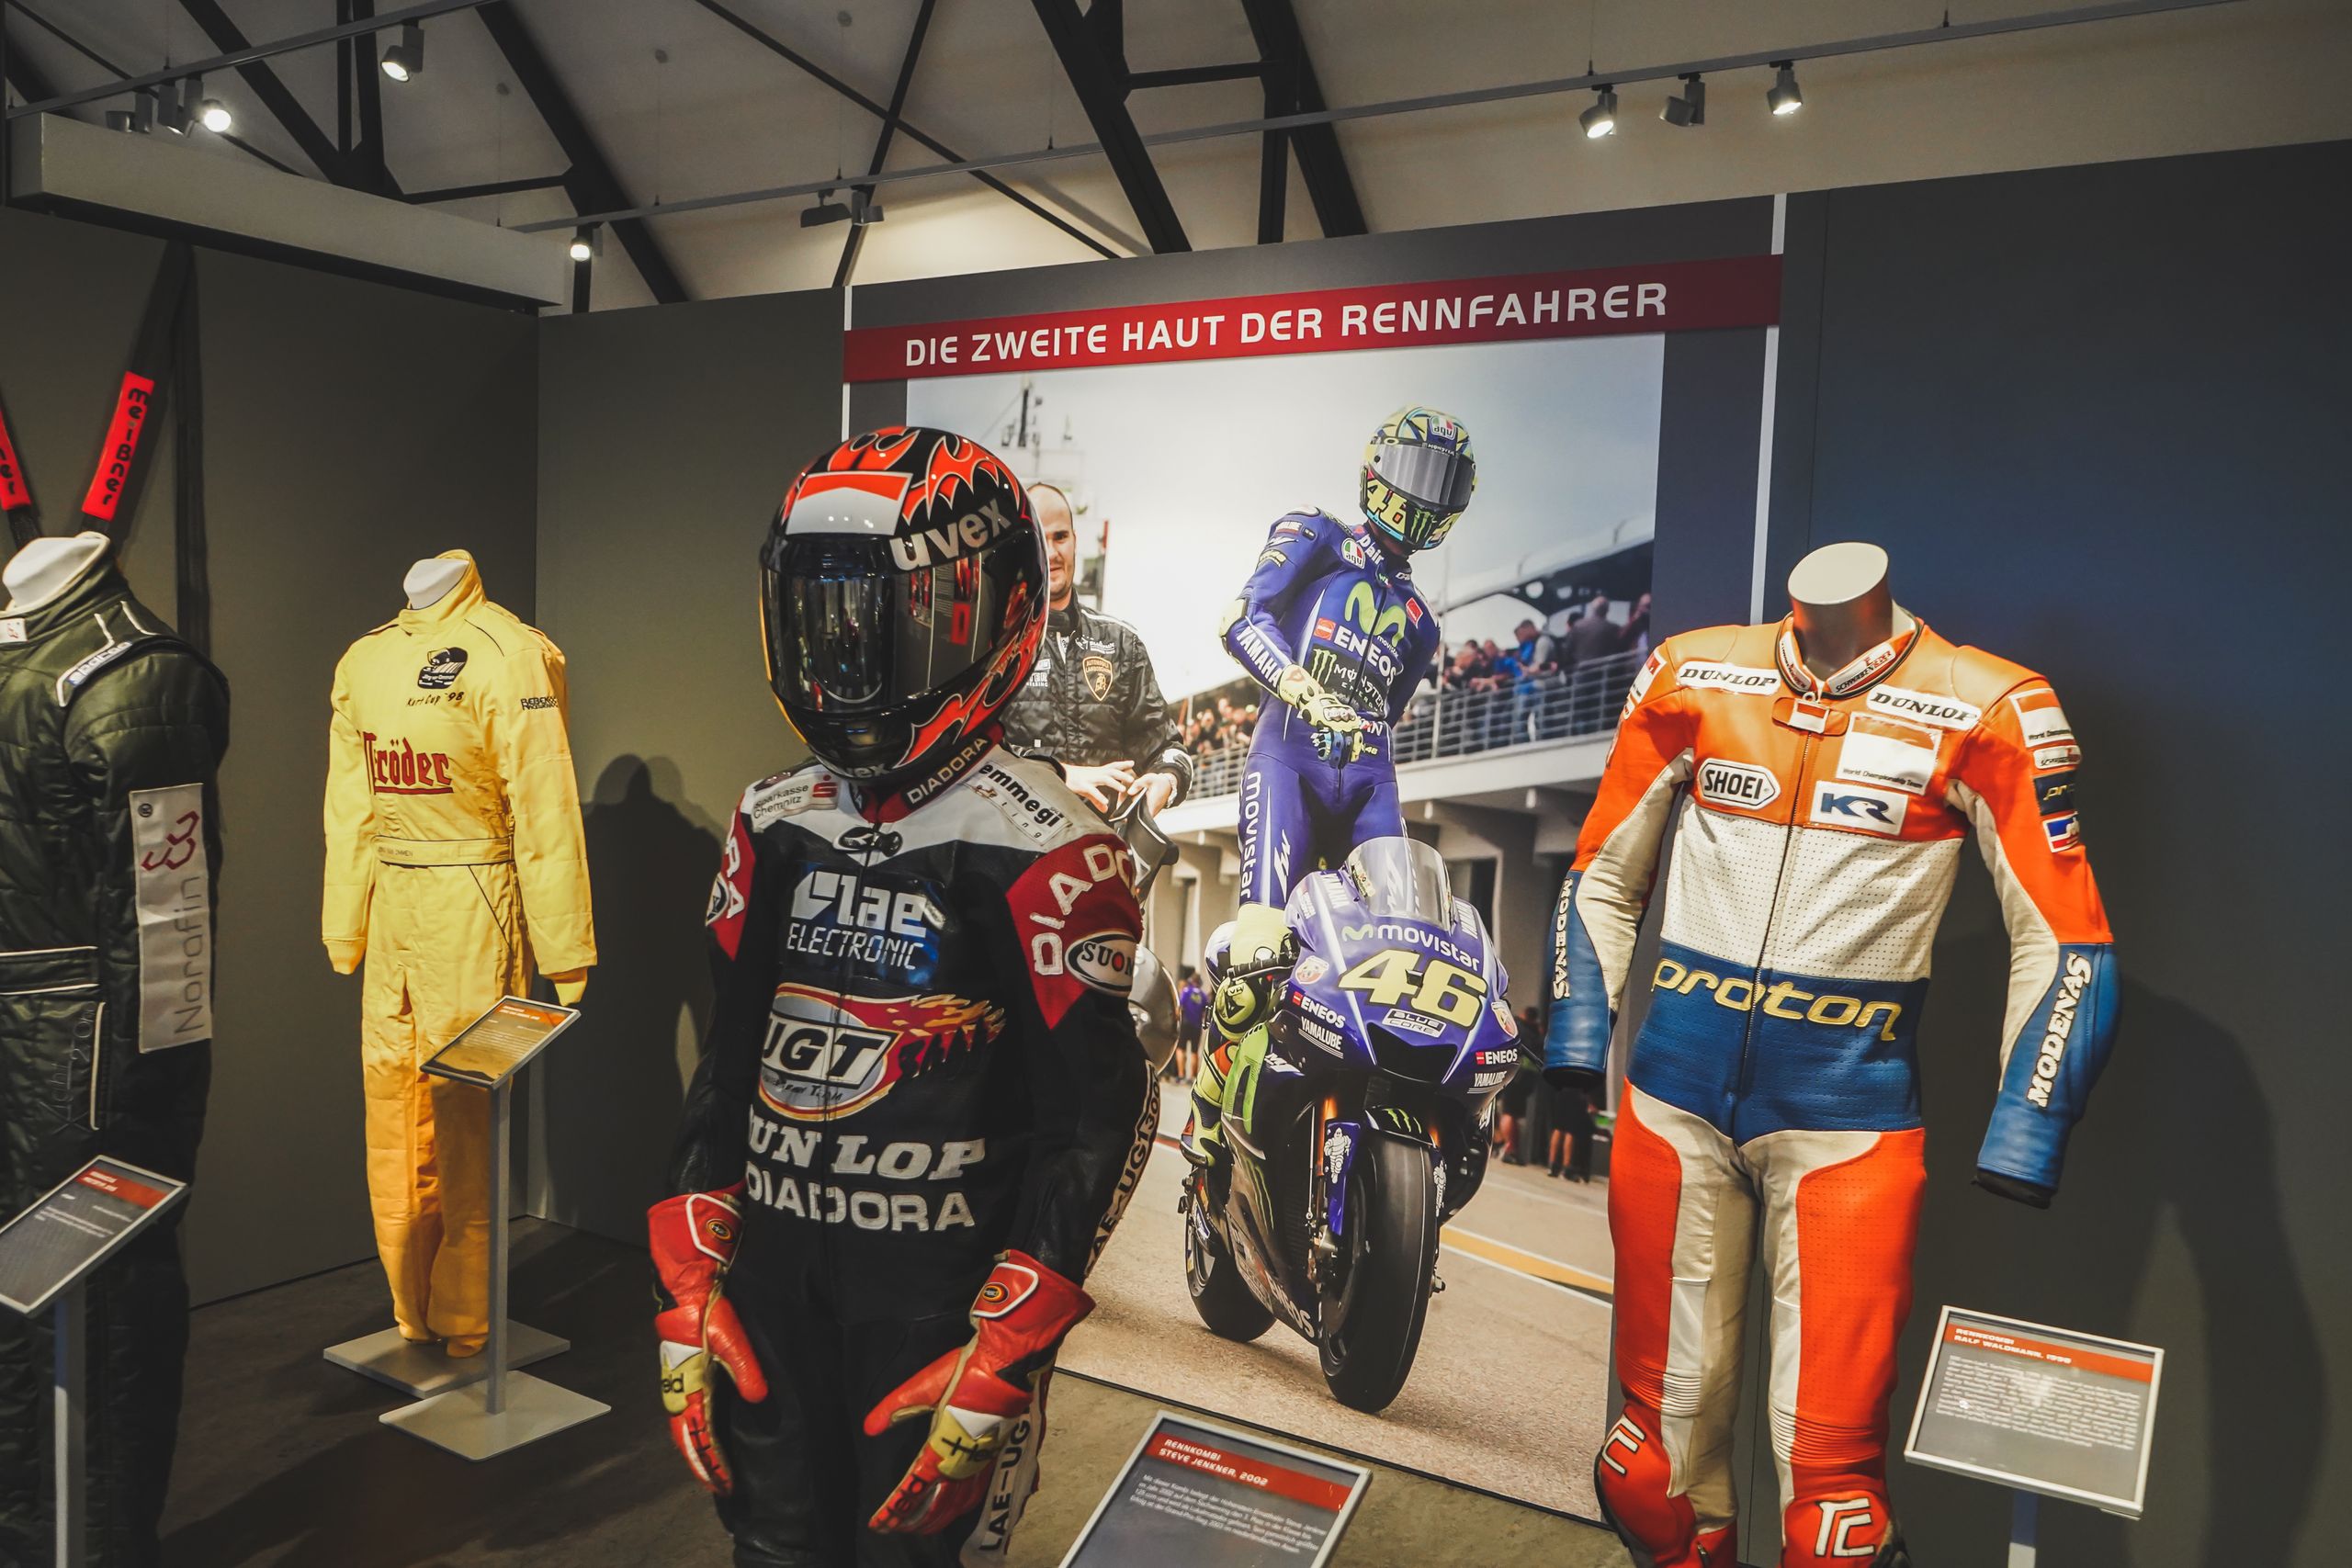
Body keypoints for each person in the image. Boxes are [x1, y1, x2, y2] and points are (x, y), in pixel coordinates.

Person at [653, 426, 1154, 1567]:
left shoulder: (1051, 846)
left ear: (993, 613)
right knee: (766, 1550)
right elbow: (725, 1065)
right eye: (825, 614)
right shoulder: (772, 814)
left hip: (939, 1316)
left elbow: (1093, 1119)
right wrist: (686, 1277)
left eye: (896, 617)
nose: (850, 655)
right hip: (771, 1295)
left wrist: (1011, 1341)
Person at [1544, 602, 2116, 1568]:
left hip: (1846, 1129)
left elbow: (2066, 938)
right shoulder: (1693, 670)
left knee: (1832, 1521)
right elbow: (1600, 871)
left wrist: (2030, 1123)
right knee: (1646, 1474)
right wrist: (1575, 1035)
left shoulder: (1985, 702)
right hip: (1671, 1104)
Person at [1211, 407, 1465, 1034]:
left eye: (1442, 480)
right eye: (1413, 470)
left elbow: (1389, 715)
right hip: (1287, 763)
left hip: (1372, 782)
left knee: (1399, 959)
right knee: (1258, 956)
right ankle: (1214, 1092)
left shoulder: (1424, 623)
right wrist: (1305, 691)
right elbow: (1240, 618)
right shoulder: (1315, 532)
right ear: (1376, 467)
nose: (1424, 493)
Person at [999, 481, 1193, 817]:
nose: (1053, 553)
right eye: (1039, 539)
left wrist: (1165, 780)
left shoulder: (1122, 643)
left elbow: (1168, 748)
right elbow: (974, 758)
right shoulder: (995, 646)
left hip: (1103, 842)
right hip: (1020, 842)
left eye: (1061, 537)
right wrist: (1058, 774)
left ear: (1075, 541)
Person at [1175, 964, 1205, 1083]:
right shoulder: (1203, 995)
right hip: (1197, 1026)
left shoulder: (1186, 991)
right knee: (1194, 1051)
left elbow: (1179, 1006)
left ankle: (1181, 1075)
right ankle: (1192, 1077)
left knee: (1180, 1049)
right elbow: (1204, 1013)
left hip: (1185, 1024)